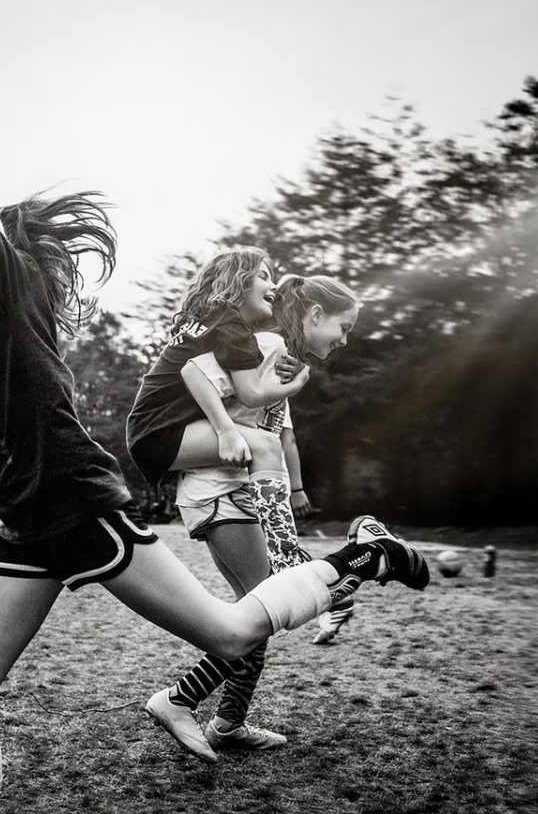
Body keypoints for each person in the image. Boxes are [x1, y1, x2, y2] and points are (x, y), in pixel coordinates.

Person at [0, 0, 430, 811]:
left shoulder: (3, 282)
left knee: (227, 632)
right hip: (28, 521)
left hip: (76, 505)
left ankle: (364, 556)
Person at [138, 276, 360, 760]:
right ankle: (178, 700)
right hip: (219, 493)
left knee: (256, 612)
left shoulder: (284, 356)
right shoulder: (265, 344)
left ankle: (228, 722)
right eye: (342, 327)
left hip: (241, 493)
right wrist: (223, 429)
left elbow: (278, 437)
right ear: (316, 314)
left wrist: (292, 487)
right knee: (260, 611)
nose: (344, 341)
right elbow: (197, 378)